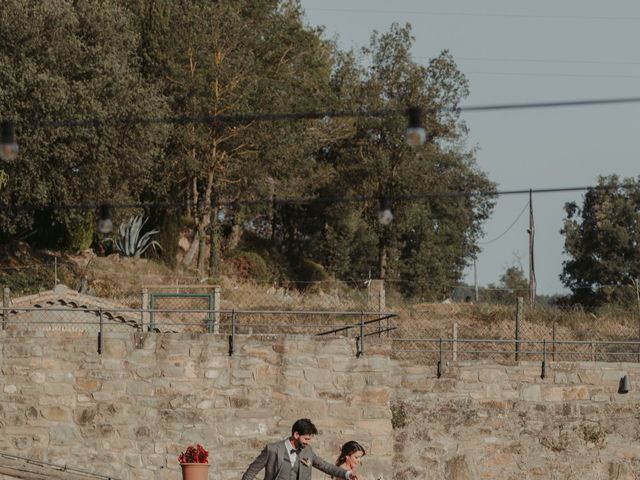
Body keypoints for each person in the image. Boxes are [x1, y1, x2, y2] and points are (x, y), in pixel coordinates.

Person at [242, 418, 361, 480]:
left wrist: (347, 474)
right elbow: (251, 472)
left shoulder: (307, 451)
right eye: (306, 439)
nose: (308, 442)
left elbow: (325, 466)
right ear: (296, 435)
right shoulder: (272, 449)